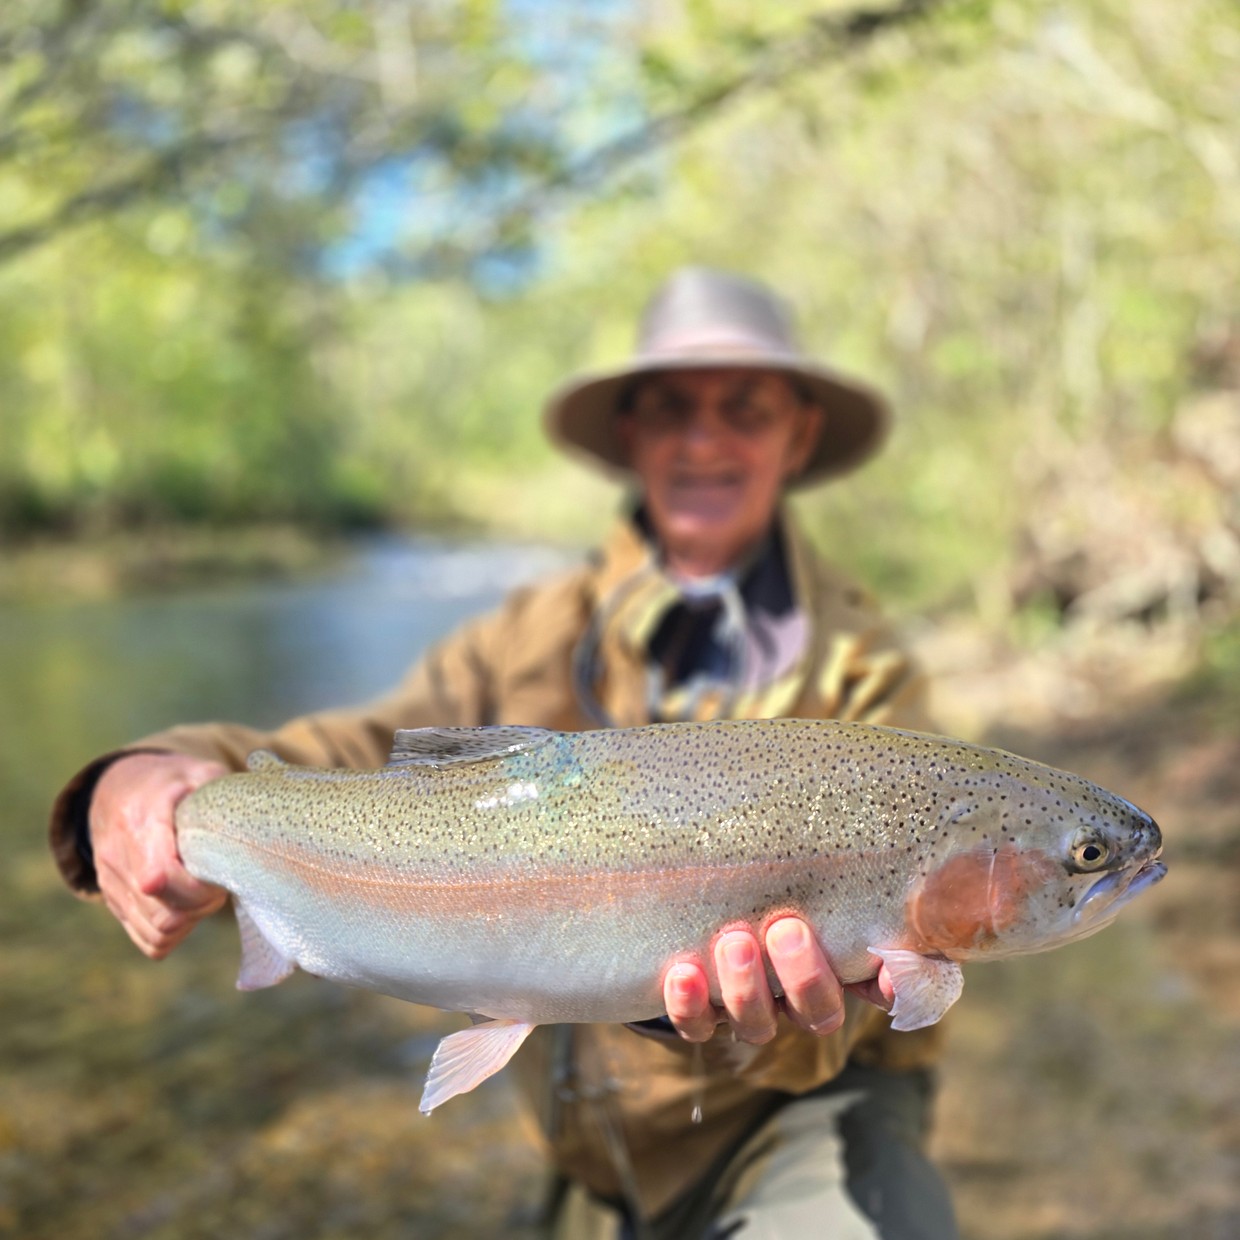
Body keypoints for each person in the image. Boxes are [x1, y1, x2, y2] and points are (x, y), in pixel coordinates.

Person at [49, 267, 959, 1239]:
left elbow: (892, 1007)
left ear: (799, 434)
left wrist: (774, 1018)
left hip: (792, 1130)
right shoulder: (528, 633)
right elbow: (340, 753)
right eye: (669, 410)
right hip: (590, 1153)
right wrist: (143, 777)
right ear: (629, 436)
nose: (703, 439)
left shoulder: (868, 680)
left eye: (744, 408)